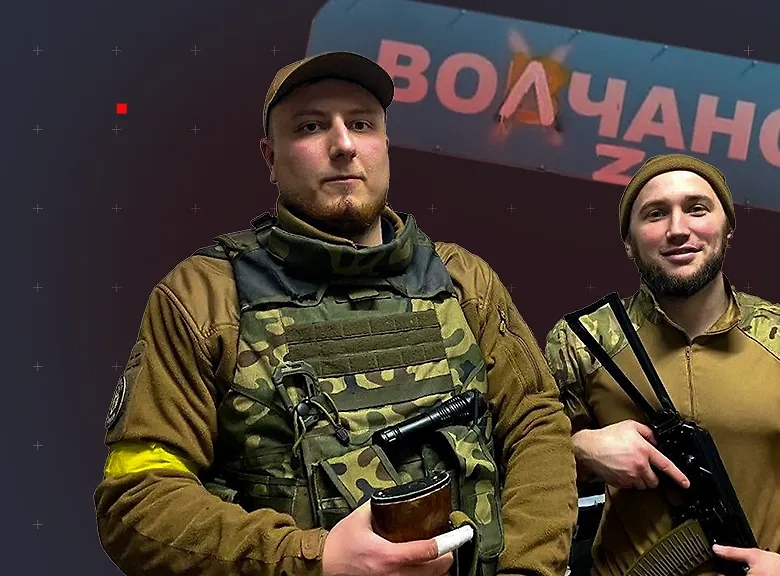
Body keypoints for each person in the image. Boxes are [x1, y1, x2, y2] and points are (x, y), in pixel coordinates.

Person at [94, 51, 578, 576]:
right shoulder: (204, 298)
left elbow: (536, 426)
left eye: (362, 124)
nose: (344, 145)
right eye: (311, 126)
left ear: (385, 145)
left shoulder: (464, 281)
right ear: (269, 156)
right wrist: (313, 559)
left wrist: (525, 570)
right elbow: (137, 498)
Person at [543, 154, 780, 576]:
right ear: (628, 242)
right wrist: (582, 451)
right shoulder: (582, 342)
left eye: (697, 209)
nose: (677, 229)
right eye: (655, 214)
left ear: (728, 229)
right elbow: (523, 465)